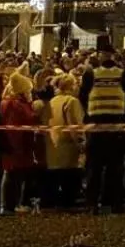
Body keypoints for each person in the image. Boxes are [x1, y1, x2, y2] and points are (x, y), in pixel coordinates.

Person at [81, 54, 125, 214]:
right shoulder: (122, 74)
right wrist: (124, 115)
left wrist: (90, 113)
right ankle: (116, 203)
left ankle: (92, 205)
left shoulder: (91, 74)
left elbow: (82, 96)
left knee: (94, 168)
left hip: (95, 126)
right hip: (116, 126)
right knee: (116, 168)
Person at [0, 73, 38, 214]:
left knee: (14, 176)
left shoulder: (14, 103)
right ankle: (9, 206)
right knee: (12, 176)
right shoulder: (15, 105)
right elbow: (14, 128)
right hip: (17, 147)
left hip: (20, 146)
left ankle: (11, 205)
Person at [45, 74, 85, 208]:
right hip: (68, 146)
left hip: (54, 144)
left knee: (56, 179)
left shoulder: (52, 101)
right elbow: (74, 125)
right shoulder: (71, 101)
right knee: (70, 179)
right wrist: (81, 143)